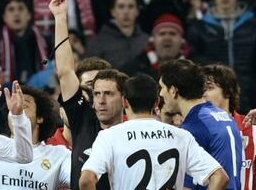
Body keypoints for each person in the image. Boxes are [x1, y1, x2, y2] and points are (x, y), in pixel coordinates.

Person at [79, 74, 229, 189]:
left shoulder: (109, 136)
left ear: (125, 102)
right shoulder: (181, 135)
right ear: (156, 102)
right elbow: (220, 177)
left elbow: (86, 180)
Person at [49, 0, 129, 190]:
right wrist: (60, 17)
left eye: (106, 91)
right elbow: (65, 71)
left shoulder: (135, 129)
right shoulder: (81, 118)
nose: (98, 96)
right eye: (93, 89)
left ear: (123, 96)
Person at [158, 59, 242, 189]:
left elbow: (188, 187)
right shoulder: (224, 116)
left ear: (173, 91)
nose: (160, 93)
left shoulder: (193, 128)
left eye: (162, 87)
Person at [187, 0, 256, 112]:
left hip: (251, 91)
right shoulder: (199, 27)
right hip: (214, 93)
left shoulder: (252, 25)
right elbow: (194, 60)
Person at [0, 86, 70, 189]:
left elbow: (82, 181)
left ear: (40, 118)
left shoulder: (59, 155)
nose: (16, 109)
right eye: (12, 106)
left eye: (24, 105)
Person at [202, 64, 256, 190]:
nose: (203, 94)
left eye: (209, 88)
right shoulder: (194, 132)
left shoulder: (252, 131)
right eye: (200, 90)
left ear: (228, 91)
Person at [85, 0, 149, 69]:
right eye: (121, 7)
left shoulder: (146, 40)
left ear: (138, 11)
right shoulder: (98, 42)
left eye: (131, 6)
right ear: (112, 11)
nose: (126, 12)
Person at [0, 0, 48, 84]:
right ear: (5, 17)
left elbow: (47, 65)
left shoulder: (44, 40)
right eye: (11, 9)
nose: (16, 13)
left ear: (29, 15)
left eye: (21, 9)